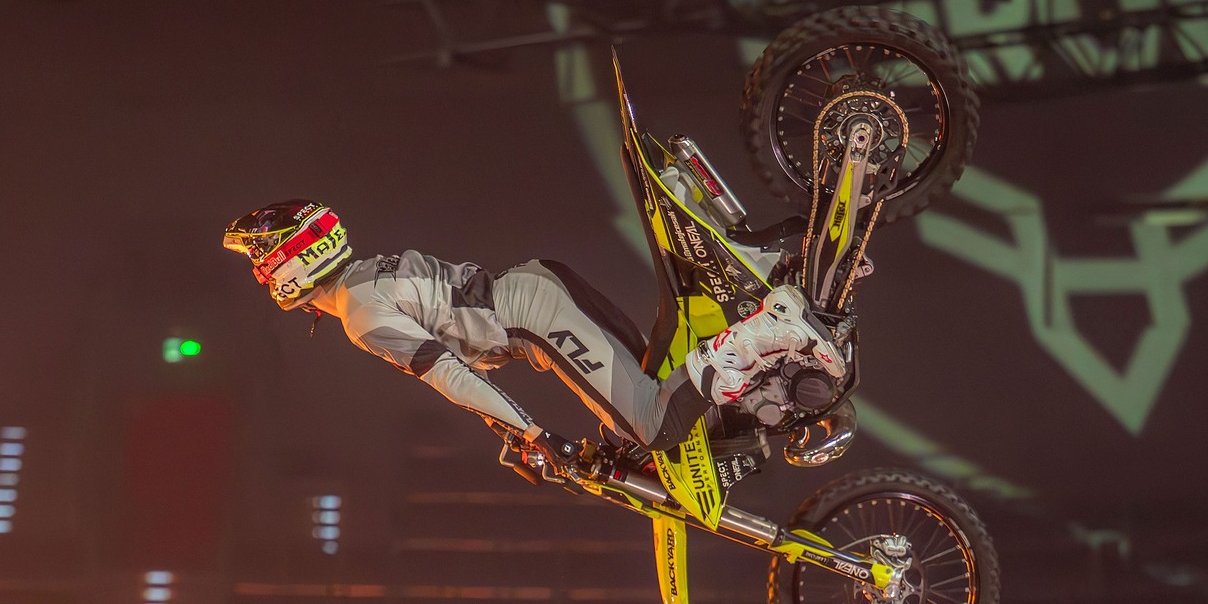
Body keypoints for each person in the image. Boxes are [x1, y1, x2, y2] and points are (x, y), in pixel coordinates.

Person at [222, 201, 847, 468]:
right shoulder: (364, 278)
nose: (260, 273)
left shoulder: (360, 313)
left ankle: (763, 333)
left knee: (654, 429)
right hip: (537, 291)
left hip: (534, 316)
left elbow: (451, 377)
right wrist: (514, 431)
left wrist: (532, 431)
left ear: (290, 259)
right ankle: (784, 393)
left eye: (261, 260)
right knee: (661, 410)